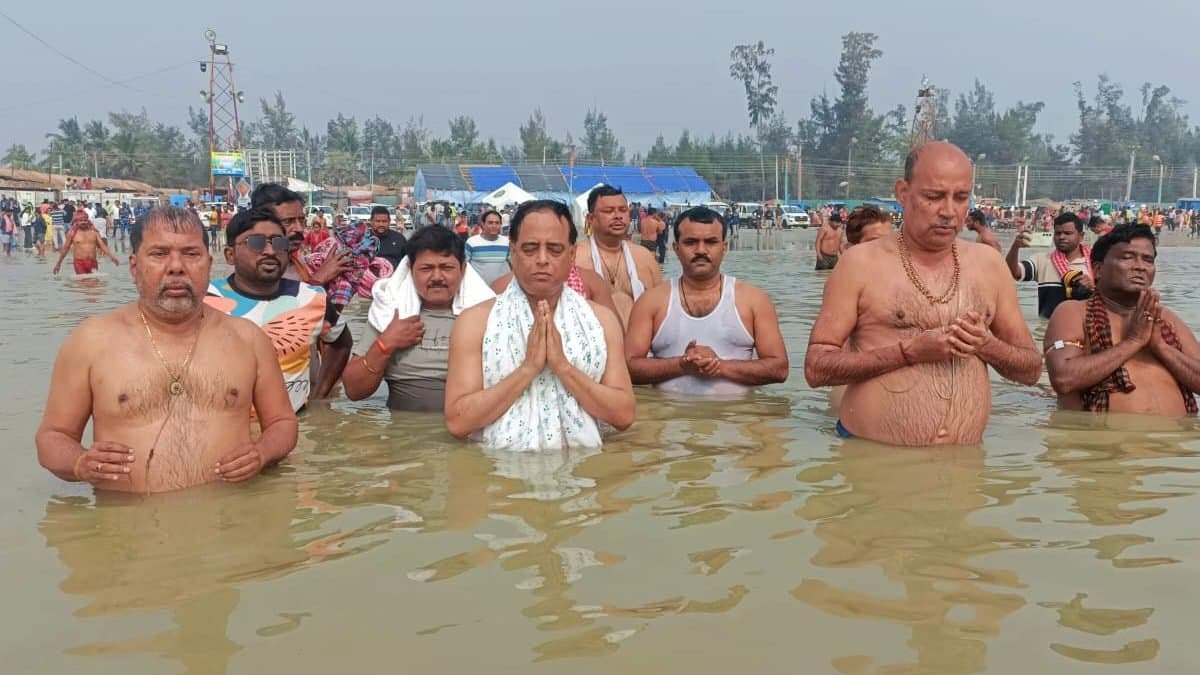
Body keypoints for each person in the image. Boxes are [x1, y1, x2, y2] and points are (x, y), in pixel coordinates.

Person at [35, 206, 298, 493]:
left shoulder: (247, 339)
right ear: (134, 267)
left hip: (231, 521)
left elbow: (283, 423)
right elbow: (52, 438)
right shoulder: (91, 341)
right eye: (159, 254)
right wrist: (80, 463)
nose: (176, 266)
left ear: (209, 265)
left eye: (191, 254)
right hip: (126, 526)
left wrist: (262, 454)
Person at [804, 141, 1042, 446]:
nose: (948, 211)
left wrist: (987, 346)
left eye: (961, 198)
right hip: (873, 461)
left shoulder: (989, 265)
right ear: (903, 193)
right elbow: (816, 368)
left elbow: (1031, 369)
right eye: (934, 197)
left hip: (964, 470)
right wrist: (907, 352)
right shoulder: (859, 264)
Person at [444, 200, 635, 449]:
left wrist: (563, 367)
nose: (542, 259)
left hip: (581, 474)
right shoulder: (475, 322)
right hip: (500, 476)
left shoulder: (600, 321)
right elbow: (458, 423)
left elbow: (624, 415)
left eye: (555, 249)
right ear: (513, 252)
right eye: (530, 248)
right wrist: (529, 368)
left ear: (572, 254)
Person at [625, 206, 789, 395]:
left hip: (738, 418)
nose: (701, 250)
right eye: (691, 242)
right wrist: (681, 365)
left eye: (710, 242)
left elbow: (779, 368)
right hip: (669, 418)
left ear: (724, 247)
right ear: (676, 248)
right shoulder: (651, 302)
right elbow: (628, 368)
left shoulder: (754, 300)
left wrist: (719, 366)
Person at [1043, 225, 1198, 416]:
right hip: (1102, 442)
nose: (1140, 266)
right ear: (1098, 269)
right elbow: (1063, 379)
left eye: (1147, 260)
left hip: (1175, 442)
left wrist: (1161, 347)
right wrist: (1133, 342)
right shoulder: (1073, 312)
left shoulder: (1164, 318)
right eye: (1127, 257)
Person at [344, 226, 495, 411]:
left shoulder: (487, 315)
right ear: (410, 269)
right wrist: (385, 344)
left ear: (463, 269)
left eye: (447, 267)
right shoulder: (390, 313)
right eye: (426, 269)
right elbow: (353, 391)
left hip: (471, 432)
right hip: (404, 433)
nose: (437, 277)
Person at [204, 207, 337, 413]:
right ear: (230, 255)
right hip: (226, 433)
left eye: (278, 242)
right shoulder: (205, 300)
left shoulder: (313, 297)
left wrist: (320, 395)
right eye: (256, 243)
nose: (270, 251)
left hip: (298, 430)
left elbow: (341, 343)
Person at [251, 183, 355, 400]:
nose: (299, 228)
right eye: (288, 221)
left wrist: (319, 398)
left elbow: (340, 340)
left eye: (301, 219)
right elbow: (274, 317)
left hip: (304, 394)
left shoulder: (297, 264)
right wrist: (319, 279)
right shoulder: (251, 271)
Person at [573, 184, 662, 327]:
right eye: (608, 211)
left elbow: (660, 308)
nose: (618, 216)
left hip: (640, 344)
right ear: (590, 218)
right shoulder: (575, 257)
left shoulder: (644, 257)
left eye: (623, 210)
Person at [1007, 212, 1095, 319]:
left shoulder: (1095, 263)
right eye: (1058, 233)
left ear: (1081, 236)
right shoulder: (1042, 260)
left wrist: (1093, 287)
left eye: (1067, 233)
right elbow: (1012, 272)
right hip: (1048, 329)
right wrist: (1015, 247)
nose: (1061, 237)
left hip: (1084, 328)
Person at [52, 211, 120, 275]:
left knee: (94, 284)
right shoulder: (72, 233)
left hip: (93, 262)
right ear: (76, 222)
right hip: (79, 263)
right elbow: (65, 249)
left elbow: (103, 246)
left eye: (85, 220)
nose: (83, 222)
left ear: (88, 221)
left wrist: (112, 257)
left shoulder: (94, 232)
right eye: (81, 221)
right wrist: (58, 263)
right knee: (83, 283)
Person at [464, 209, 510, 285]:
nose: (494, 226)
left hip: (503, 291)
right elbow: (464, 265)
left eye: (497, 223)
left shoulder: (507, 242)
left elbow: (513, 265)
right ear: (483, 224)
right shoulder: (472, 242)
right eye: (490, 223)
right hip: (479, 289)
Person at [369, 204, 407, 269]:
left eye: (384, 221)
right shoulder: (363, 239)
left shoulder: (399, 239)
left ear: (389, 222)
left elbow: (407, 260)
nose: (381, 224)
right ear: (371, 222)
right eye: (377, 221)